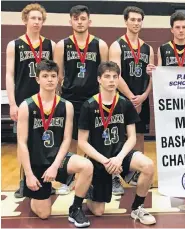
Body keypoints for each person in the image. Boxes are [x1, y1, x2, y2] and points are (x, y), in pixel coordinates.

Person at [78, 61, 156, 225]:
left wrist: (119, 158)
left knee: (148, 165)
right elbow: (82, 143)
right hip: (99, 159)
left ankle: (137, 207)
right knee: (98, 212)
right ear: (99, 79)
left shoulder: (124, 104)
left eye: (115, 76)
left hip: (120, 153)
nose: (111, 80)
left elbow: (132, 137)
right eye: (107, 76)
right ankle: (89, 190)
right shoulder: (89, 105)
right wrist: (106, 161)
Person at [17, 60, 92, 227]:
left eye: (53, 76)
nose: (50, 80)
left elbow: (67, 139)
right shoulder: (26, 106)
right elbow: (22, 143)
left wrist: (55, 165)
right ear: (37, 79)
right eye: (45, 76)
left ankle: (76, 207)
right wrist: (28, 174)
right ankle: (33, 191)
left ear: (59, 79)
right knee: (44, 214)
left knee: (86, 166)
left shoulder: (67, 106)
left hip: (57, 159)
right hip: (37, 162)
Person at [54, 5, 108, 194]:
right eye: (76, 18)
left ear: (89, 21)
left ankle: (89, 176)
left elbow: (105, 74)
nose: (79, 22)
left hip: (93, 99)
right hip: (70, 99)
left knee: (91, 140)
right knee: (68, 140)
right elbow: (58, 76)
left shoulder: (100, 45)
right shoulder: (62, 45)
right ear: (70, 21)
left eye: (83, 18)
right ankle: (67, 179)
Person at [5, 3, 56, 198]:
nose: (36, 22)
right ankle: (24, 179)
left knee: (47, 140)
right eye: (33, 18)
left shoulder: (49, 44)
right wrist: (12, 103)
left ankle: (47, 180)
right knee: (23, 141)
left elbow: (55, 74)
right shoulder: (15, 45)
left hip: (47, 101)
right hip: (24, 100)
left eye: (39, 19)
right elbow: (9, 75)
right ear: (25, 20)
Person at [108, 6, 153, 195]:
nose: (136, 23)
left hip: (141, 99)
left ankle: (135, 173)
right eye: (132, 19)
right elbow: (115, 75)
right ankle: (113, 177)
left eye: (139, 20)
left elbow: (152, 75)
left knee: (140, 135)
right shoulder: (117, 45)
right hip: (122, 99)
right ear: (125, 21)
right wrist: (131, 97)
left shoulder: (147, 47)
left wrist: (143, 96)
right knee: (117, 137)